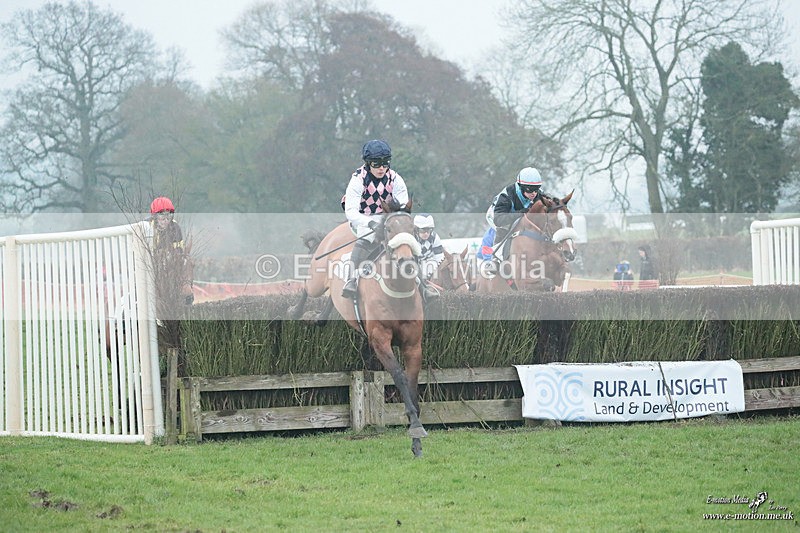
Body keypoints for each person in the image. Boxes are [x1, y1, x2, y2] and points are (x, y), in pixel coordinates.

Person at [341, 140, 438, 302]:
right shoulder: (358, 180)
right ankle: (351, 279)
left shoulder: (396, 179)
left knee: (407, 241)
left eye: (385, 163)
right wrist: (370, 223)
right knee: (367, 237)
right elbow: (350, 212)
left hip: (389, 218)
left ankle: (423, 285)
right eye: (376, 164)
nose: (381, 168)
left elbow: (401, 209)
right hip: (363, 218)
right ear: (367, 163)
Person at [484, 167, 546, 274]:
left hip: (520, 216)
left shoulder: (539, 195)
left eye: (536, 189)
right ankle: (495, 259)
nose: (533, 193)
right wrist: (521, 213)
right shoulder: (507, 195)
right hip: (498, 217)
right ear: (520, 187)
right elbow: (499, 220)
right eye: (529, 189)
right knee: (507, 227)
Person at [149, 196, 193, 305]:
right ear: (155, 217)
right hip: (148, 260)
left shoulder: (175, 227)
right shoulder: (147, 227)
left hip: (168, 260)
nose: (166, 219)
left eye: (168, 215)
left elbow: (179, 249)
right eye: (162, 216)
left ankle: (186, 296)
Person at [413, 213, 445, 281]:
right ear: (416, 229)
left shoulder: (434, 237)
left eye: (428, 230)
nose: (426, 234)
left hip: (428, 262)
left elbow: (439, 257)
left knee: (431, 265)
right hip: (413, 263)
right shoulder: (411, 238)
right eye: (423, 230)